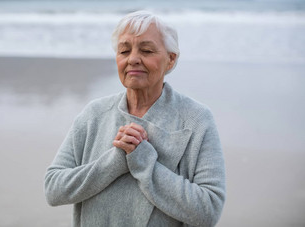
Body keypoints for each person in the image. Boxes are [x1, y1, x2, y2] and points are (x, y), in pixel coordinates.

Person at [44, 10, 226, 227]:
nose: (133, 59)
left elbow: (208, 210)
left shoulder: (196, 120)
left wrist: (144, 161)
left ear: (170, 59)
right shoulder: (94, 114)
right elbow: (53, 189)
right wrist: (116, 160)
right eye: (124, 51)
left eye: (147, 50)